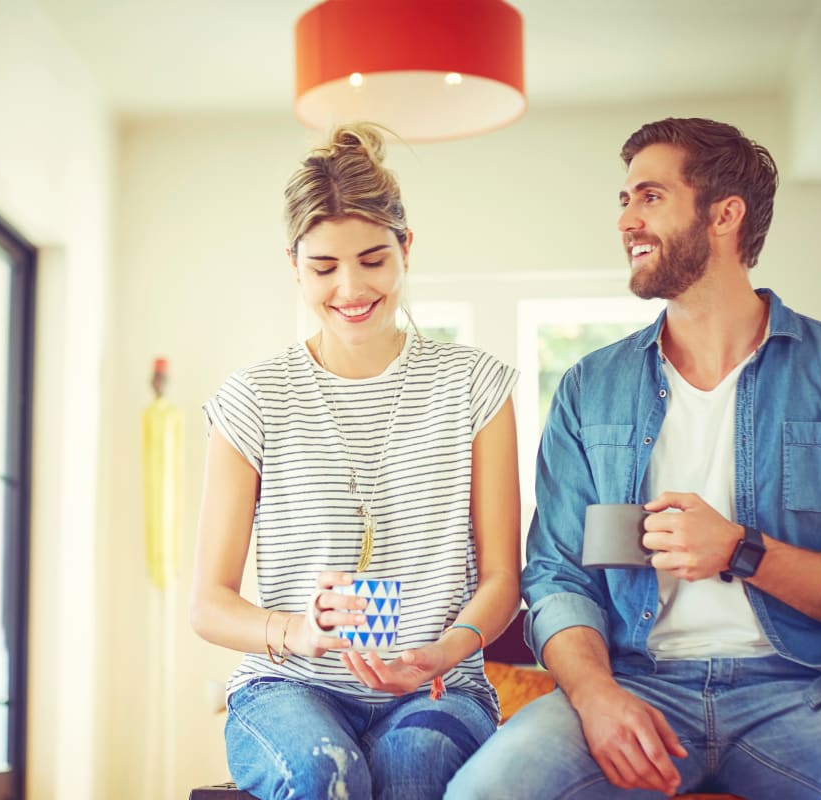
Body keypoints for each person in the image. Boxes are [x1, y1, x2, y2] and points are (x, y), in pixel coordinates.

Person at [446, 117, 821, 799]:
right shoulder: (589, 389)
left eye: (650, 196)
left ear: (725, 214)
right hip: (635, 686)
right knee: (486, 792)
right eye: (623, 200)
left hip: (809, 695)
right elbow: (558, 577)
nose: (627, 219)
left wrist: (742, 551)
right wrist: (596, 697)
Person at [190, 122, 521, 800]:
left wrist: (444, 650)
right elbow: (208, 604)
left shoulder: (475, 387)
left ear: (406, 248)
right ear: (293, 264)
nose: (351, 288)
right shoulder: (252, 398)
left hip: (439, 685)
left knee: (412, 767)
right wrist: (295, 631)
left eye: (373, 260)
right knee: (322, 770)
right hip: (288, 686)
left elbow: (501, 579)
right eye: (323, 267)